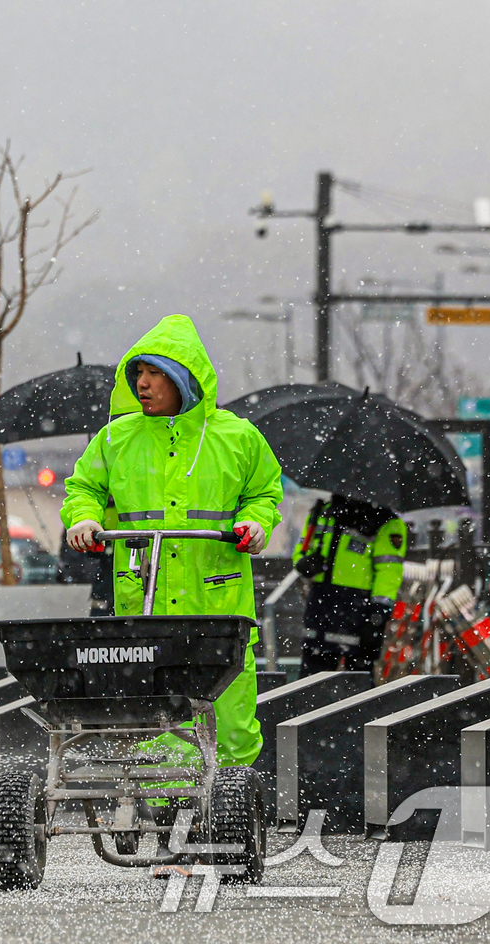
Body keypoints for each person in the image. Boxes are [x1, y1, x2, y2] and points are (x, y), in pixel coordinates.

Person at [61, 315, 283, 770]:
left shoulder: (237, 438)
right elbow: (83, 488)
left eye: (154, 373)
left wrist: (257, 524)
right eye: (138, 373)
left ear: (184, 378)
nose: (141, 383)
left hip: (218, 604)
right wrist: (82, 519)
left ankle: (232, 805)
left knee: (233, 716)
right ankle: (169, 815)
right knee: (156, 717)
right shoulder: (115, 439)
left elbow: (263, 493)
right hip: (146, 600)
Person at [293, 494, 407, 674]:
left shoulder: (385, 522)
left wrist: (378, 613)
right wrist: (303, 563)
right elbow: (301, 550)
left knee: (357, 684)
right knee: (311, 682)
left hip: (359, 610)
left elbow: (389, 572)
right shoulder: (322, 513)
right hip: (321, 605)